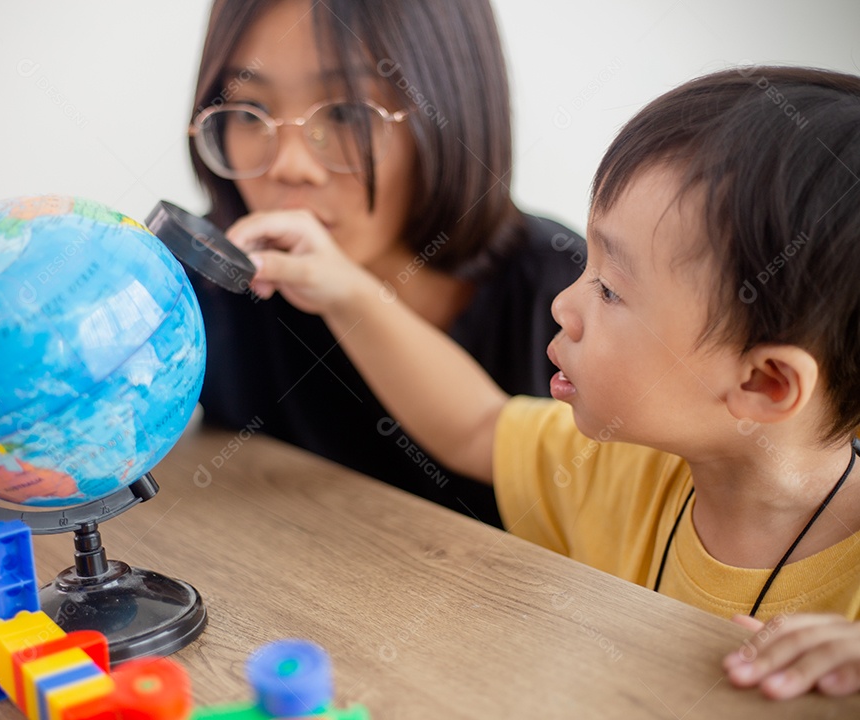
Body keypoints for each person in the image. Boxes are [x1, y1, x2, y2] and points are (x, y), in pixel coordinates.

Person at [225, 66, 860, 700]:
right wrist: (344, 289)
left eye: (610, 290)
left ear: (766, 384)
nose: (563, 304)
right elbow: (476, 424)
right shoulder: (616, 469)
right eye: (588, 266)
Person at [186, 0, 585, 527]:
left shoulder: (575, 295)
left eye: (347, 113)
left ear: (449, 110)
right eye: (247, 112)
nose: (289, 165)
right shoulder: (206, 281)